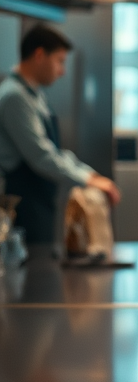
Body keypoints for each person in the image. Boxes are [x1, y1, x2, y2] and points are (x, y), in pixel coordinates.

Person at [0, 25, 121, 250]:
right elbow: (42, 156)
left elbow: (54, 151)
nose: (62, 71)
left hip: (38, 201)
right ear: (39, 55)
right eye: (59, 61)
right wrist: (87, 180)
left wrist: (89, 174)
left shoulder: (34, 95)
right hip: (21, 205)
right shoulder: (14, 97)